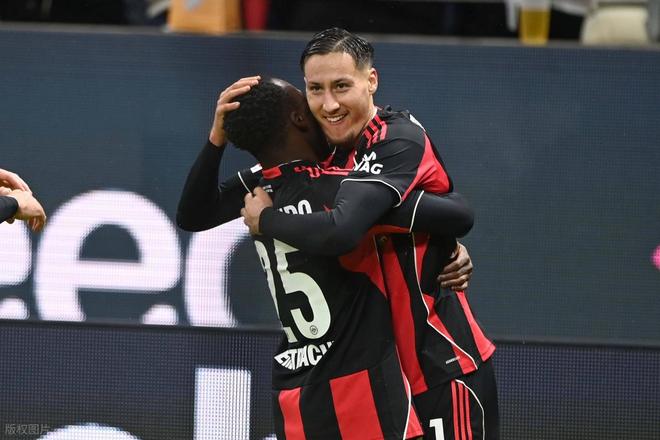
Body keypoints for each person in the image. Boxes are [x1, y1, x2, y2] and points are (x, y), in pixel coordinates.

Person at [241, 28, 498, 439]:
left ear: (371, 80)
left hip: (439, 364)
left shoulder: (397, 137)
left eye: (342, 86)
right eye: (316, 89)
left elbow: (456, 212)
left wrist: (268, 220)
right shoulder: (315, 154)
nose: (329, 104)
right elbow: (198, 211)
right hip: (380, 385)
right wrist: (216, 139)